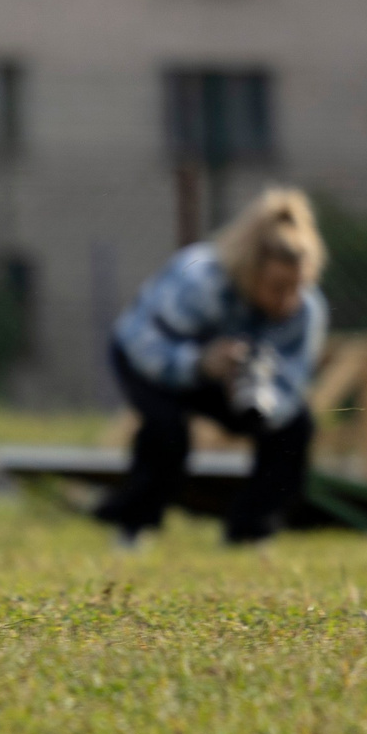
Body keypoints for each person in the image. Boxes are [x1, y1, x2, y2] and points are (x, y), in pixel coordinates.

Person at [97, 187, 328, 547]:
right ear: (251, 269)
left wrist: (263, 401)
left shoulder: (306, 310)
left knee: (295, 429)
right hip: (147, 358)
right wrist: (200, 363)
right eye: (278, 287)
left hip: (227, 379)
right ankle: (131, 525)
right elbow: (148, 345)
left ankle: (249, 531)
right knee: (167, 430)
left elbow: (294, 382)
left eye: (297, 287)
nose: (288, 300)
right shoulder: (201, 279)